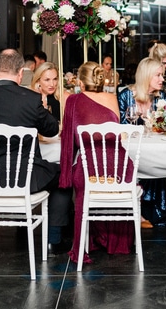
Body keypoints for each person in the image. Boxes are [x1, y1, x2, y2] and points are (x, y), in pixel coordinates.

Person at [0, 49, 73, 254]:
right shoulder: (31, 99)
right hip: (26, 178)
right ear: (20, 73)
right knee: (64, 174)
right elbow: (52, 129)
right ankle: (54, 239)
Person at [59, 60, 134, 264]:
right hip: (118, 170)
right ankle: (114, 241)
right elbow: (117, 135)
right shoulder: (112, 98)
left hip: (89, 171)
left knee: (80, 172)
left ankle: (87, 242)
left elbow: (71, 141)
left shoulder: (73, 101)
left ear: (81, 84)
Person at [118, 57, 166, 228]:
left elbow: (165, 126)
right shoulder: (126, 95)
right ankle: (136, 210)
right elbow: (121, 127)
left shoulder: (161, 97)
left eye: (162, 75)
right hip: (130, 151)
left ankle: (152, 211)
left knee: (159, 162)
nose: (162, 79)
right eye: (158, 75)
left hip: (154, 148)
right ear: (146, 76)